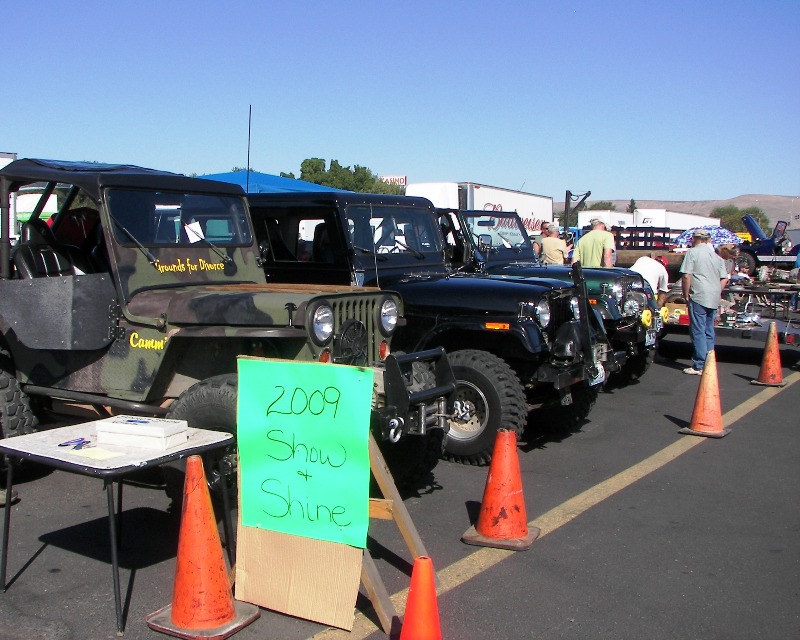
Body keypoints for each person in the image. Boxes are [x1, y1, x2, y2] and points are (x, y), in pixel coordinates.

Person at [679, 229, 729, 375]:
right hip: (713, 296)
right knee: (709, 329)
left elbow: (686, 276)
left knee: (698, 330)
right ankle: (709, 361)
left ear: (695, 239)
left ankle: (699, 365)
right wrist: (716, 291)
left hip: (699, 295)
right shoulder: (716, 257)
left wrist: (685, 294)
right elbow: (724, 278)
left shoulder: (692, 252)